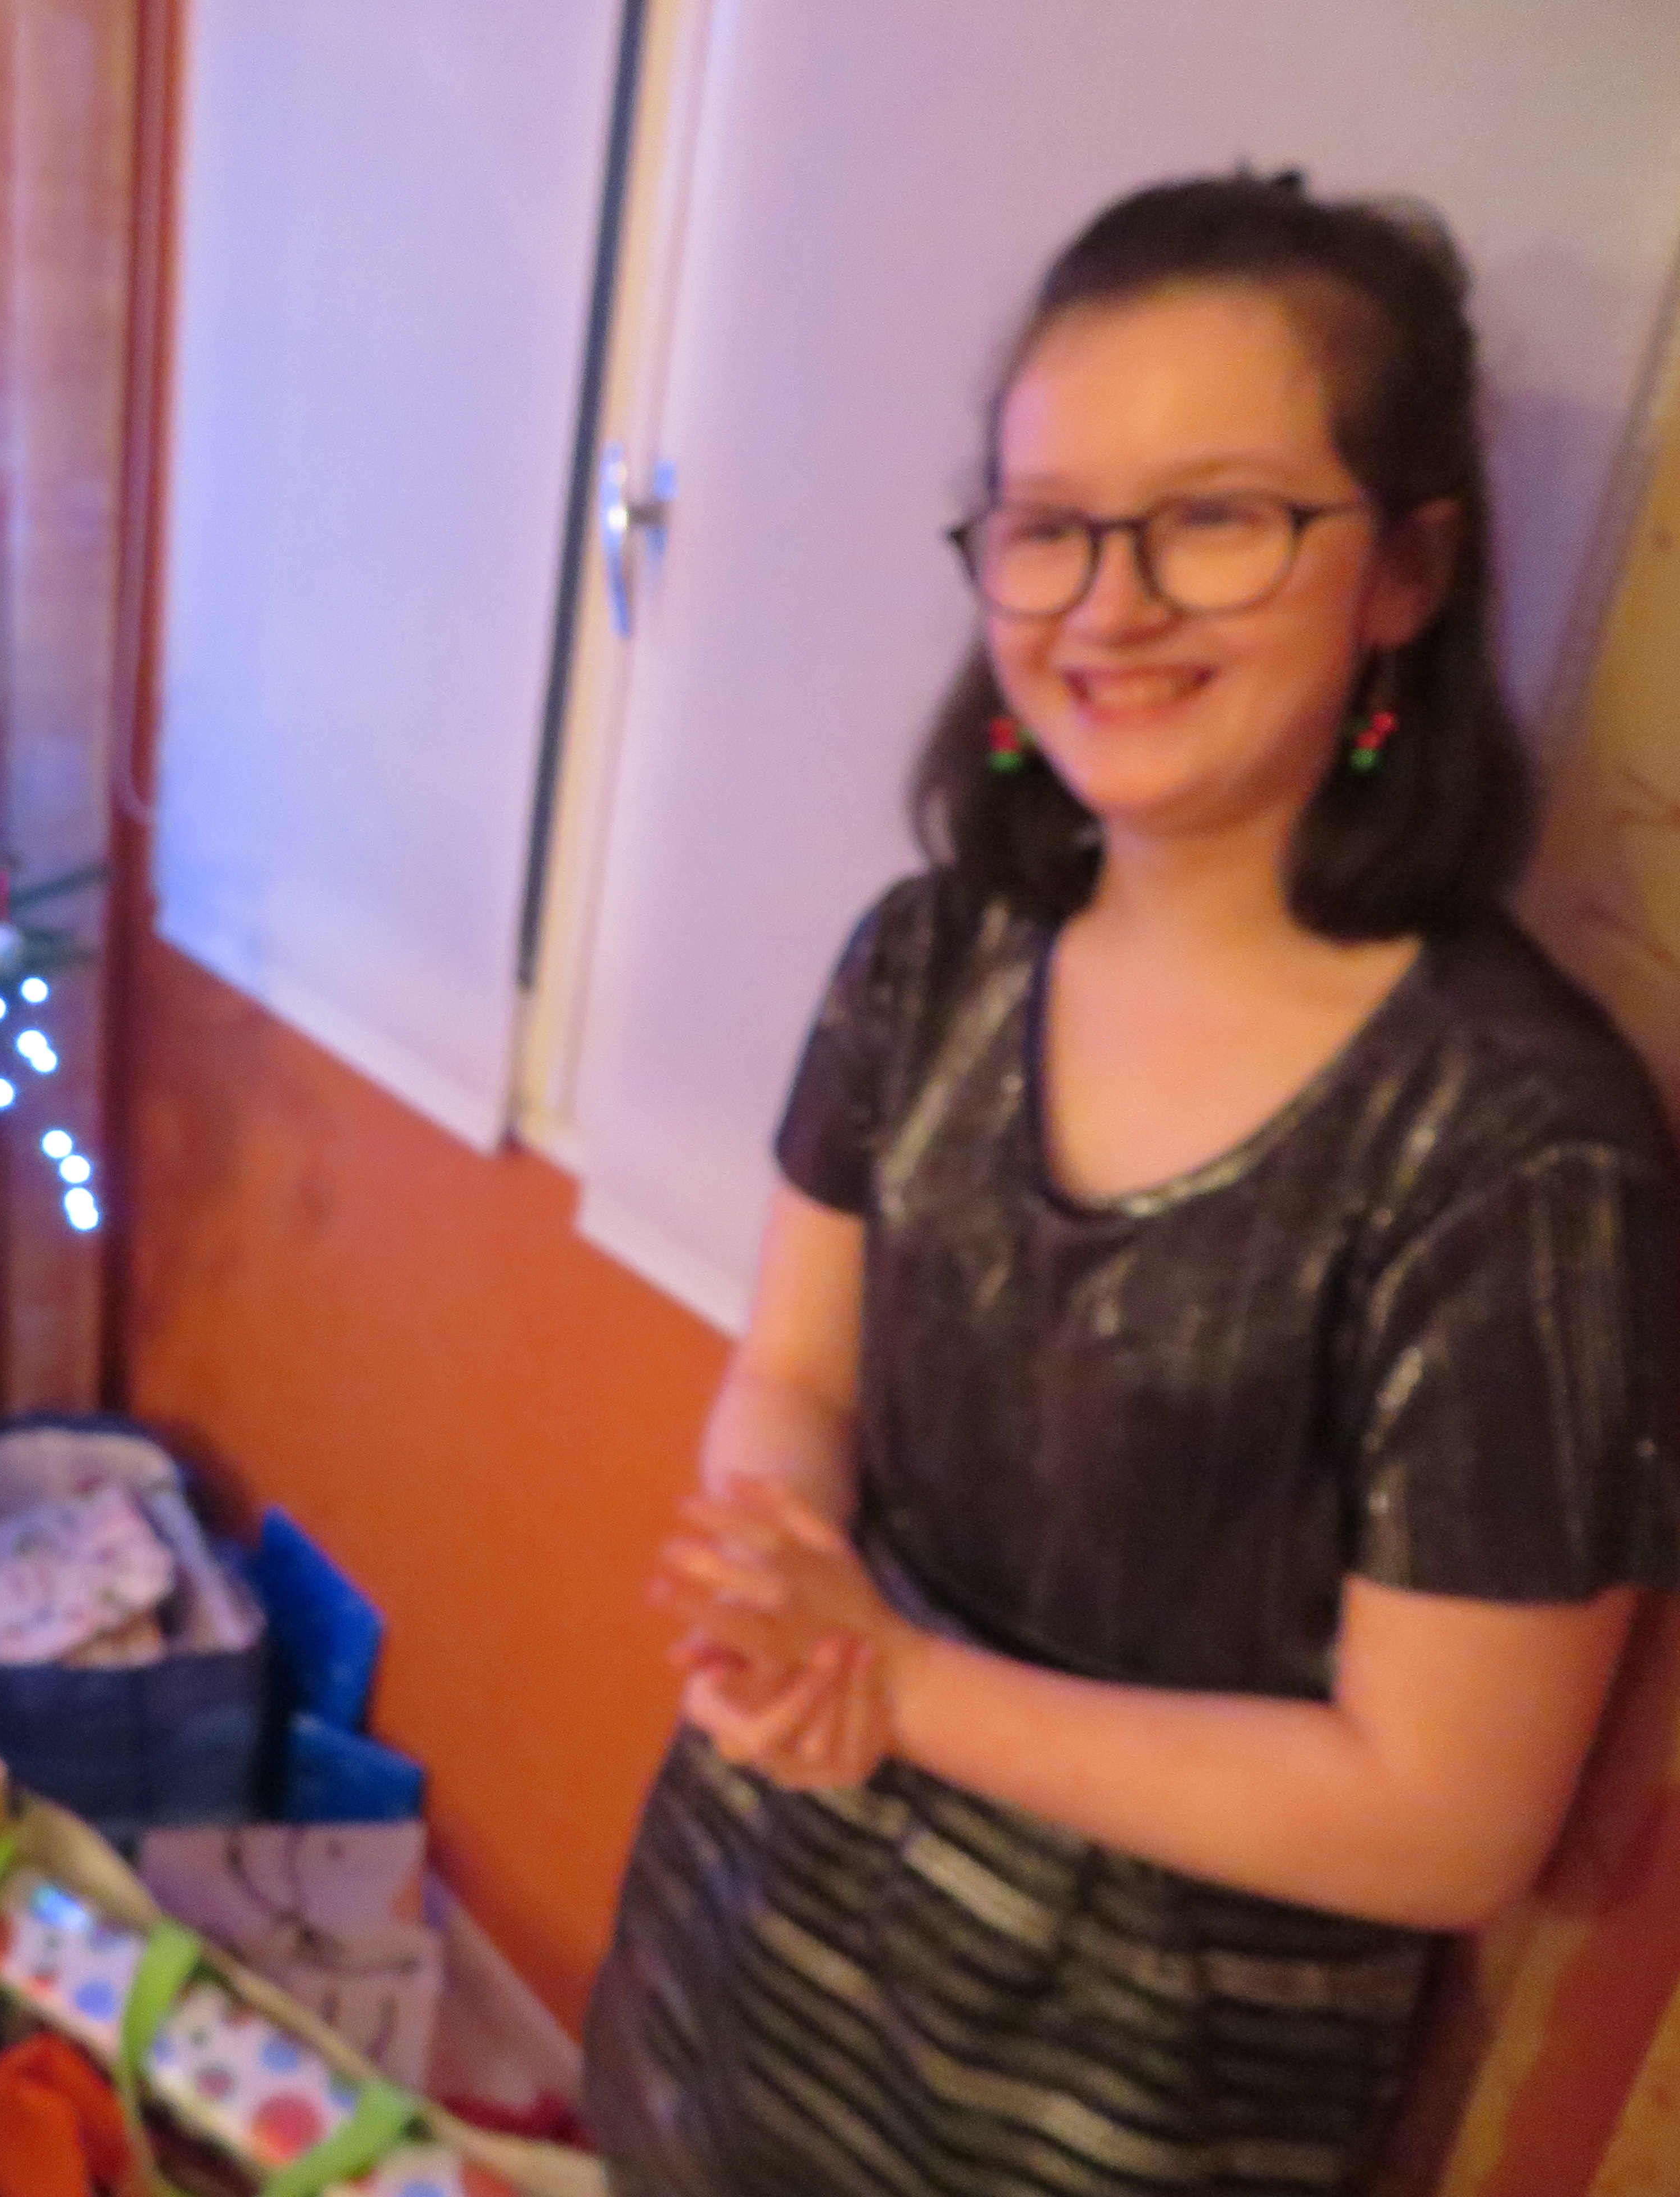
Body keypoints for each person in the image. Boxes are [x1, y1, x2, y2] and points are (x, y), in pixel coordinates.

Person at [579, 170, 1680, 2196]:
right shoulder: (924, 961)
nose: (1108, 604)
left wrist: (896, 1683)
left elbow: (1444, 1818)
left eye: (1217, 518)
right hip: (752, 1933)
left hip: (1128, 2092)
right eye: (1050, 526)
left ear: (1409, 568)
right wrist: (775, 1589)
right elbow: (797, 1376)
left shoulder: (1523, 1154)